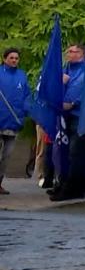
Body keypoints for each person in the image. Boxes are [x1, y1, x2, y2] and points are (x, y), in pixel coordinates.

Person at [50, 44, 85, 201]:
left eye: (76, 51)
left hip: (79, 115)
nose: (72, 54)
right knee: (63, 152)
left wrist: (73, 102)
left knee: (76, 151)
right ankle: (63, 183)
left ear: (83, 54)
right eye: (70, 51)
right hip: (64, 116)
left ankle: (75, 187)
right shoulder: (65, 70)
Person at [0, 48, 30, 195]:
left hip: (14, 122)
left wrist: (25, 111)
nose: (14, 60)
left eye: (16, 58)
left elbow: (26, 96)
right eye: (11, 58)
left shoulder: (22, 76)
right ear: (5, 59)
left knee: (7, 156)